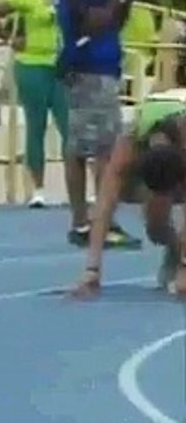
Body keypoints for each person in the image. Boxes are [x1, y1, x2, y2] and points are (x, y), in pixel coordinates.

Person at [55, 0, 140, 249]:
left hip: (94, 66)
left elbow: (113, 23)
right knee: (104, 150)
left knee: (82, 147)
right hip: (91, 67)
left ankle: (85, 221)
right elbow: (89, 22)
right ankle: (99, 222)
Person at [72, 88, 186, 298]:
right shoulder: (128, 145)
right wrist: (91, 270)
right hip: (160, 128)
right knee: (156, 229)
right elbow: (104, 204)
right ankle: (174, 248)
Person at [0, 0, 67, 208]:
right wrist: (10, 39)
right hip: (32, 64)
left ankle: (77, 187)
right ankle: (38, 189)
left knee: (69, 127)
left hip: (64, 66)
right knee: (35, 126)